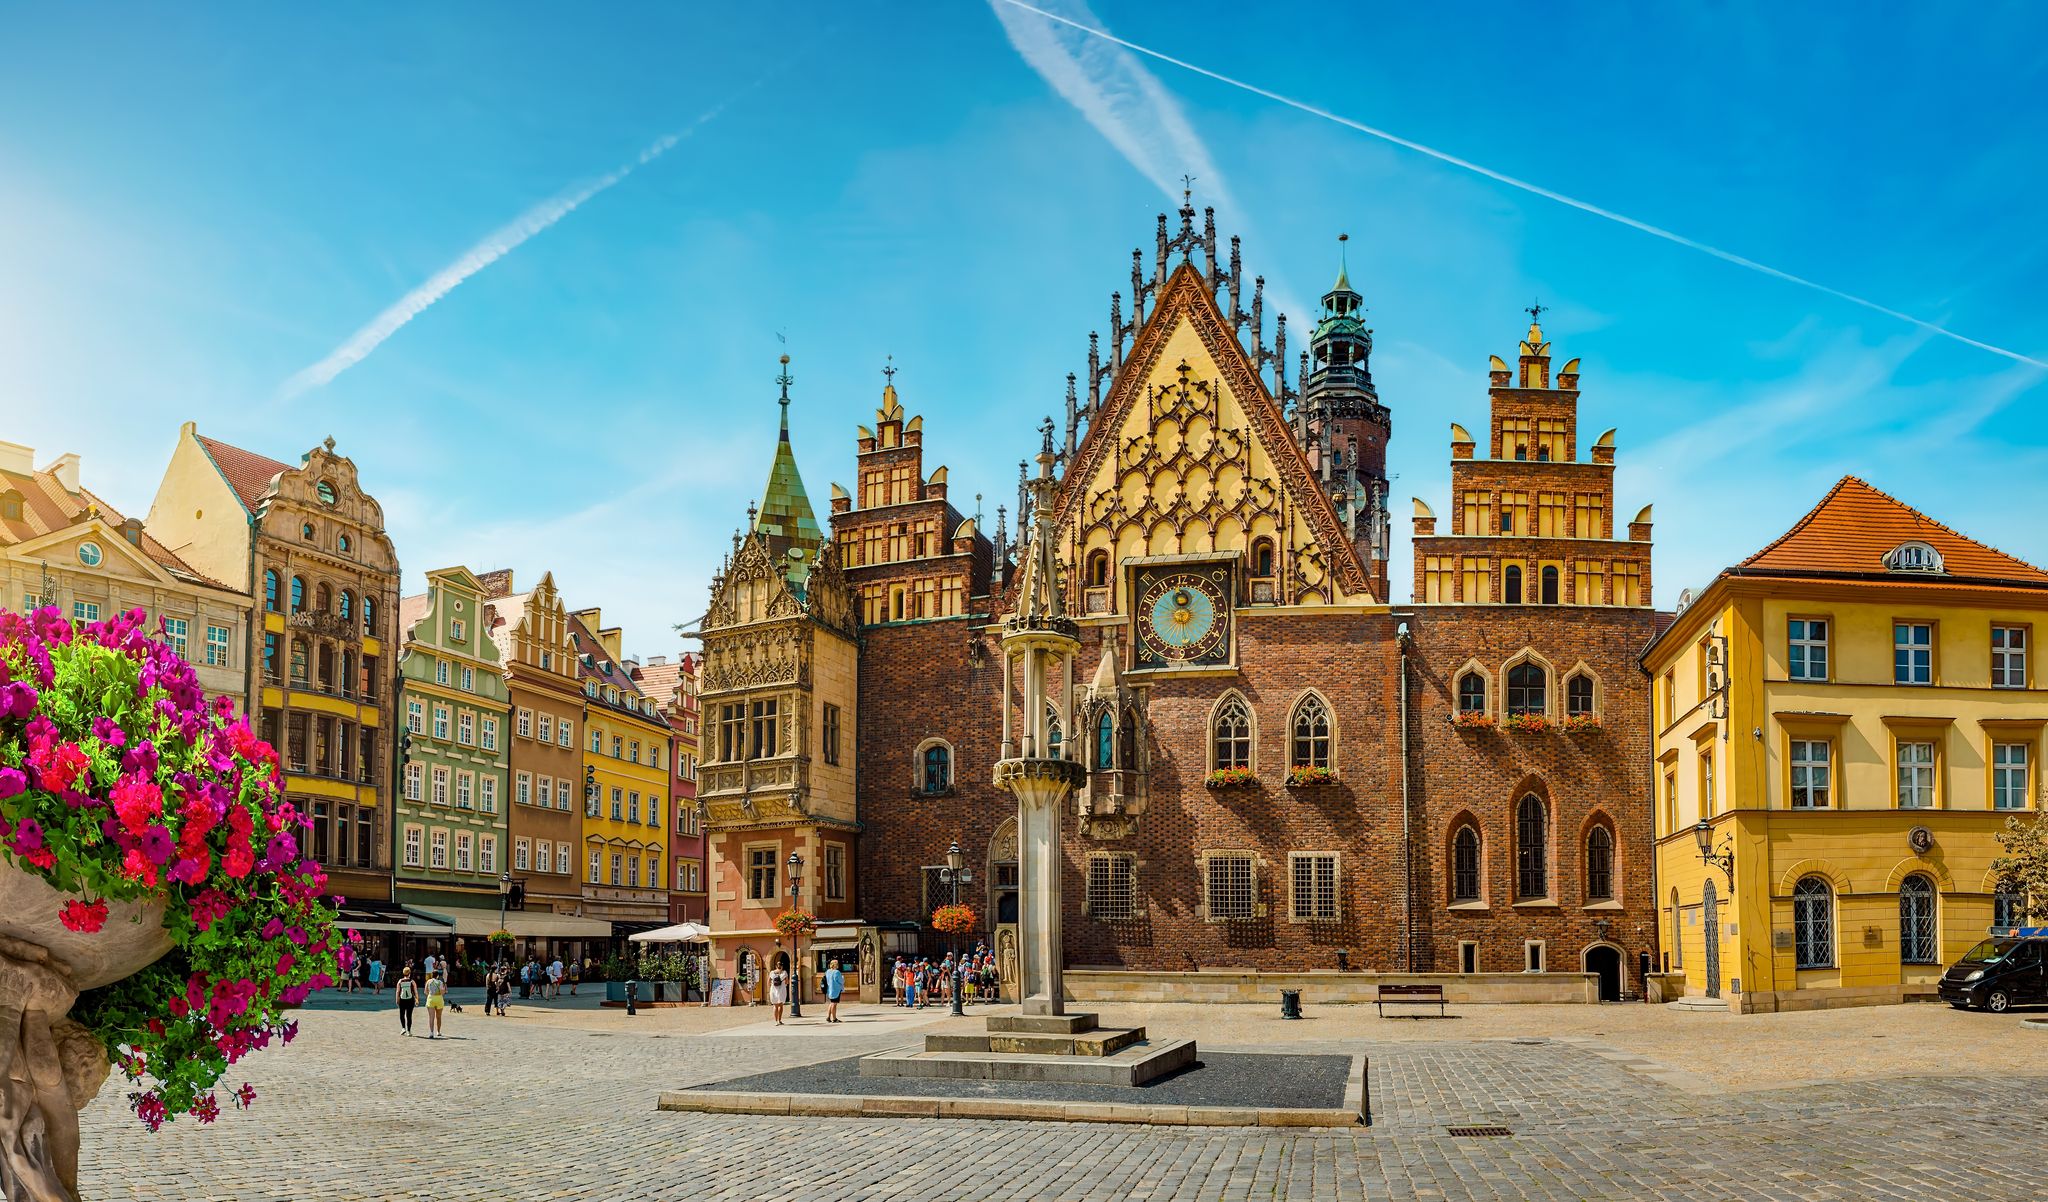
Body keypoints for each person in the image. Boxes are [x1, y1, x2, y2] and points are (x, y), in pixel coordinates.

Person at [424, 970, 447, 1038]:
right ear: (438, 975)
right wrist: (444, 989)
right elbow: (442, 992)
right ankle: (438, 1031)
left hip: (431, 999)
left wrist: (430, 995)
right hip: (439, 999)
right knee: (439, 1017)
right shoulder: (440, 982)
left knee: (431, 1017)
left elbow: (425, 992)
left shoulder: (428, 981)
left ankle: (431, 1032)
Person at [395, 967, 417, 1036]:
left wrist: (397, 999)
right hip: (410, 1000)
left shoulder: (400, 981)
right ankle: (409, 1031)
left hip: (402, 1000)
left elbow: (398, 991)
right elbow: (415, 991)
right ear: (409, 973)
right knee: (409, 1015)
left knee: (402, 1014)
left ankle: (403, 1028)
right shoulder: (412, 981)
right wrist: (417, 999)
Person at [824, 958, 845, 1024]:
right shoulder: (837, 972)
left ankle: (828, 1017)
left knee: (831, 1003)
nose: (838, 965)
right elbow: (841, 981)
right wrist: (842, 978)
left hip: (829, 990)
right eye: (837, 964)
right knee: (834, 1004)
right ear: (835, 965)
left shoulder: (828, 972)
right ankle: (834, 1018)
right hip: (836, 990)